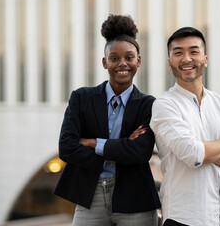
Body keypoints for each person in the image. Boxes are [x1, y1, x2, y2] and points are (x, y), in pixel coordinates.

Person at [54, 14, 161, 226]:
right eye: (114, 58)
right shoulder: (81, 98)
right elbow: (66, 148)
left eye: (129, 57)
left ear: (138, 60)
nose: (122, 64)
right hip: (90, 197)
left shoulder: (148, 104)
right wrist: (117, 152)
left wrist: (93, 143)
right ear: (105, 62)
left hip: (135, 199)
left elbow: (140, 152)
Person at [150, 27, 220, 226]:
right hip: (186, 218)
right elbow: (192, 154)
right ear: (169, 63)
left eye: (194, 51)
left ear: (205, 59)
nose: (186, 58)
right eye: (178, 53)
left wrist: (207, 152)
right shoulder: (164, 105)